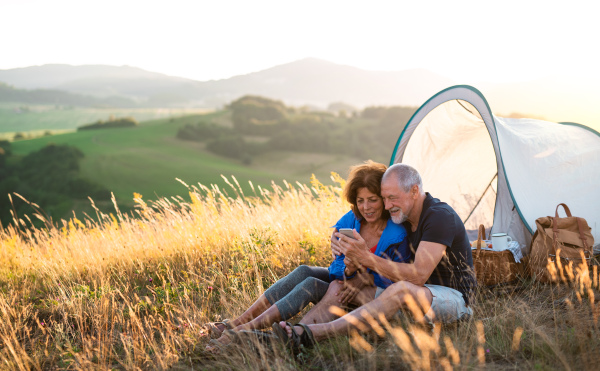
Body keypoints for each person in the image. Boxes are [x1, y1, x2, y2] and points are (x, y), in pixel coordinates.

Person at [205, 161, 411, 352]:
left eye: (373, 200)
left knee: (319, 285)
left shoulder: (396, 232)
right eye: (360, 201)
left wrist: (362, 277)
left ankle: (259, 334)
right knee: (305, 272)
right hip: (345, 285)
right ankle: (238, 324)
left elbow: (394, 277)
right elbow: (336, 268)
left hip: (373, 295)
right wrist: (348, 271)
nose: (366, 207)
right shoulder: (354, 220)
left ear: (383, 199)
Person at [274, 163, 477, 348]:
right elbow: (356, 215)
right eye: (385, 198)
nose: (387, 206)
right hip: (414, 295)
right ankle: (293, 336)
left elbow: (417, 276)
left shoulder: (439, 217)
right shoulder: (402, 214)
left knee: (402, 290)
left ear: (414, 191)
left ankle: (316, 333)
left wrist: (365, 257)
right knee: (340, 288)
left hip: (452, 298)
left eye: (392, 198)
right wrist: (336, 236)